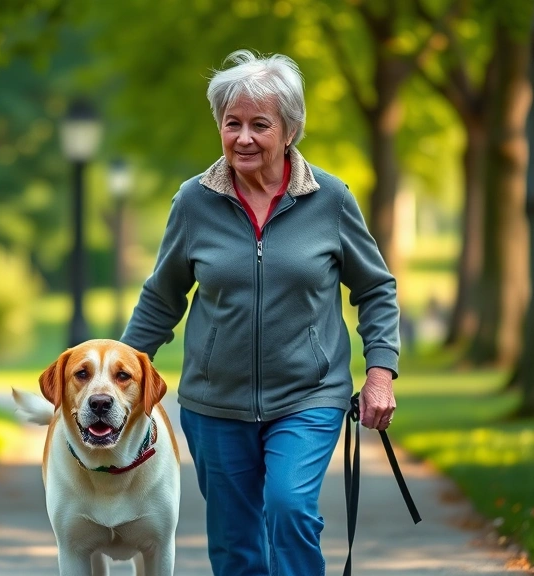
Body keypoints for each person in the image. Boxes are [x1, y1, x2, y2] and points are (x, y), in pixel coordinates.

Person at [120, 49, 400, 576]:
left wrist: (381, 374)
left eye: (259, 124)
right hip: (214, 403)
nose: (243, 137)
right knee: (234, 544)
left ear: (289, 130)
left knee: (290, 510)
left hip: (308, 394)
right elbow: (163, 295)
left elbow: (376, 289)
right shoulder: (194, 200)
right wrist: (122, 373)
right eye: (232, 123)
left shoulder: (330, 199)